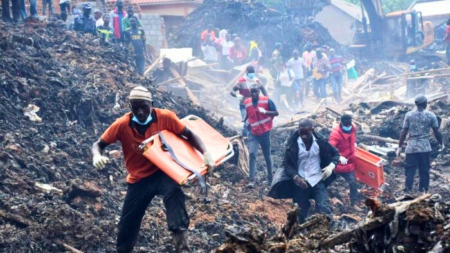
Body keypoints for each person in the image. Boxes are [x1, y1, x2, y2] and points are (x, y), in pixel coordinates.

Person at [92, 86, 214, 253]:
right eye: (135, 108)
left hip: (163, 172)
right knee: (128, 221)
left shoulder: (165, 117)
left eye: (144, 107)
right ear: (130, 107)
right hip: (139, 178)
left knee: (174, 192)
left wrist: (205, 153)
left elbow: (189, 134)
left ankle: (182, 248)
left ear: (152, 104)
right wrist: (97, 156)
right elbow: (98, 145)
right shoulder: (122, 125)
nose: (140, 112)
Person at [268, 119, 339, 224]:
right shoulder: (292, 145)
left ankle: (333, 230)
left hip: (317, 179)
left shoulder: (321, 142)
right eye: (302, 133)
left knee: (323, 206)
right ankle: (302, 232)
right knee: (300, 211)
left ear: (312, 130)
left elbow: (336, 154)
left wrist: (330, 167)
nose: (304, 136)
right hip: (300, 182)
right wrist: (296, 177)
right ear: (298, 130)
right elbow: (286, 164)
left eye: (307, 133)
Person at [398, 95, 443, 193]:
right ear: (425, 103)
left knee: (410, 170)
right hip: (424, 147)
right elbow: (437, 132)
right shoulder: (431, 115)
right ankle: (423, 190)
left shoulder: (409, 115)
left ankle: (408, 189)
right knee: (424, 170)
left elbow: (403, 132)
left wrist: (399, 146)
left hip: (411, 147)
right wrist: (441, 143)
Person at [243, 84, 278, 188]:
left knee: (267, 155)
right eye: (252, 92)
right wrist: (245, 121)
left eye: (255, 92)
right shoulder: (247, 102)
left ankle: (270, 178)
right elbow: (248, 113)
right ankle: (252, 180)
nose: (253, 94)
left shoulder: (267, 100)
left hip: (265, 132)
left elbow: (276, 113)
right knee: (252, 154)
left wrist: (266, 111)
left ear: (259, 91)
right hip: (253, 132)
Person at [329, 113, 361, 211]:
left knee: (353, 182)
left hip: (349, 161)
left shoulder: (352, 128)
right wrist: (338, 157)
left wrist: (354, 144)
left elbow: (353, 137)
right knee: (328, 181)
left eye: (349, 124)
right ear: (341, 123)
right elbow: (329, 148)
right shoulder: (335, 134)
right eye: (346, 124)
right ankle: (328, 200)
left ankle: (353, 203)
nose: (348, 126)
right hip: (338, 163)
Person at [230, 65, 268, 137]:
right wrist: (237, 95)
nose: (251, 74)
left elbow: (263, 89)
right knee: (247, 121)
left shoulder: (256, 81)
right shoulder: (241, 81)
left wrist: (267, 98)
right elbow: (232, 91)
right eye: (250, 72)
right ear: (246, 72)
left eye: (253, 72)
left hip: (255, 104)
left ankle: (252, 135)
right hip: (244, 105)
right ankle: (245, 136)